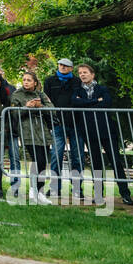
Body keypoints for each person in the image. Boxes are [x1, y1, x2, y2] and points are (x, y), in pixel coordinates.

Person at [70, 63, 133, 205]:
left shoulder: (102, 89)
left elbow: (106, 103)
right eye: (80, 73)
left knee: (115, 161)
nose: (82, 75)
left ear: (92, 74)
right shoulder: (77, 90)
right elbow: (75, 103)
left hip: (106, 130)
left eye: (85, 72)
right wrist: (94, 101)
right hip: (89, 131)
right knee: (96, 164)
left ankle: (125, 194)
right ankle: (98, 194)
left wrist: (86, 103)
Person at [9, 70, 55, 203]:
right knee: (37, 159)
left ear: (35, 83)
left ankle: (39, 191)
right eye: (24, 80)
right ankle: (33, 188)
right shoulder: (17, 94)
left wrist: (40, 106)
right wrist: (26, 107)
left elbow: (52, 108)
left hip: (42, 131)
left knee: (43, 162)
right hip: (27, 131)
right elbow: (13, 113)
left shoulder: (41, 94)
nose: (26, 82)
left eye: (29, 80)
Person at [43, 57, 84, 203]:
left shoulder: (77, 82)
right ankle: (55, 188)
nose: (63, 67)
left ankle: (78, 189)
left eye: (66, 66)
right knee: (56, 156)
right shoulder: (50, 81)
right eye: (60, 65)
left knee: (77, 157)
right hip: (57, 123)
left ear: (71, 68)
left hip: (75, 123)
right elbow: (46, 100)